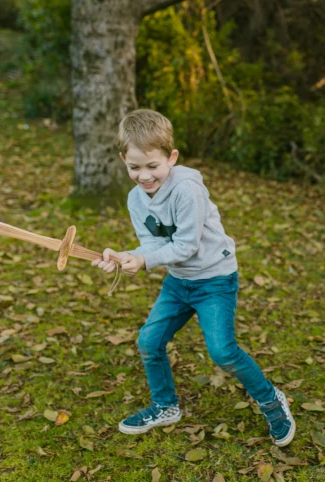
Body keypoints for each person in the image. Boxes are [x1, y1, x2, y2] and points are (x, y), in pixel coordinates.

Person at [92, 109, 295, 446]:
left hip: (214, 280)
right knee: (149, 342)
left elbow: (186, 245)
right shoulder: (135, 199)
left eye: (152, 166)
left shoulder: (187, 190)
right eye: (134, 167)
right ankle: (165, 405)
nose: (144, 176)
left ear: (171, 157)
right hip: (178, 282)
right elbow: (153, 245)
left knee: (223, 352)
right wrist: (127, 258)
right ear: (123, 160)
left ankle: (271, 398)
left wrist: (143, 259)